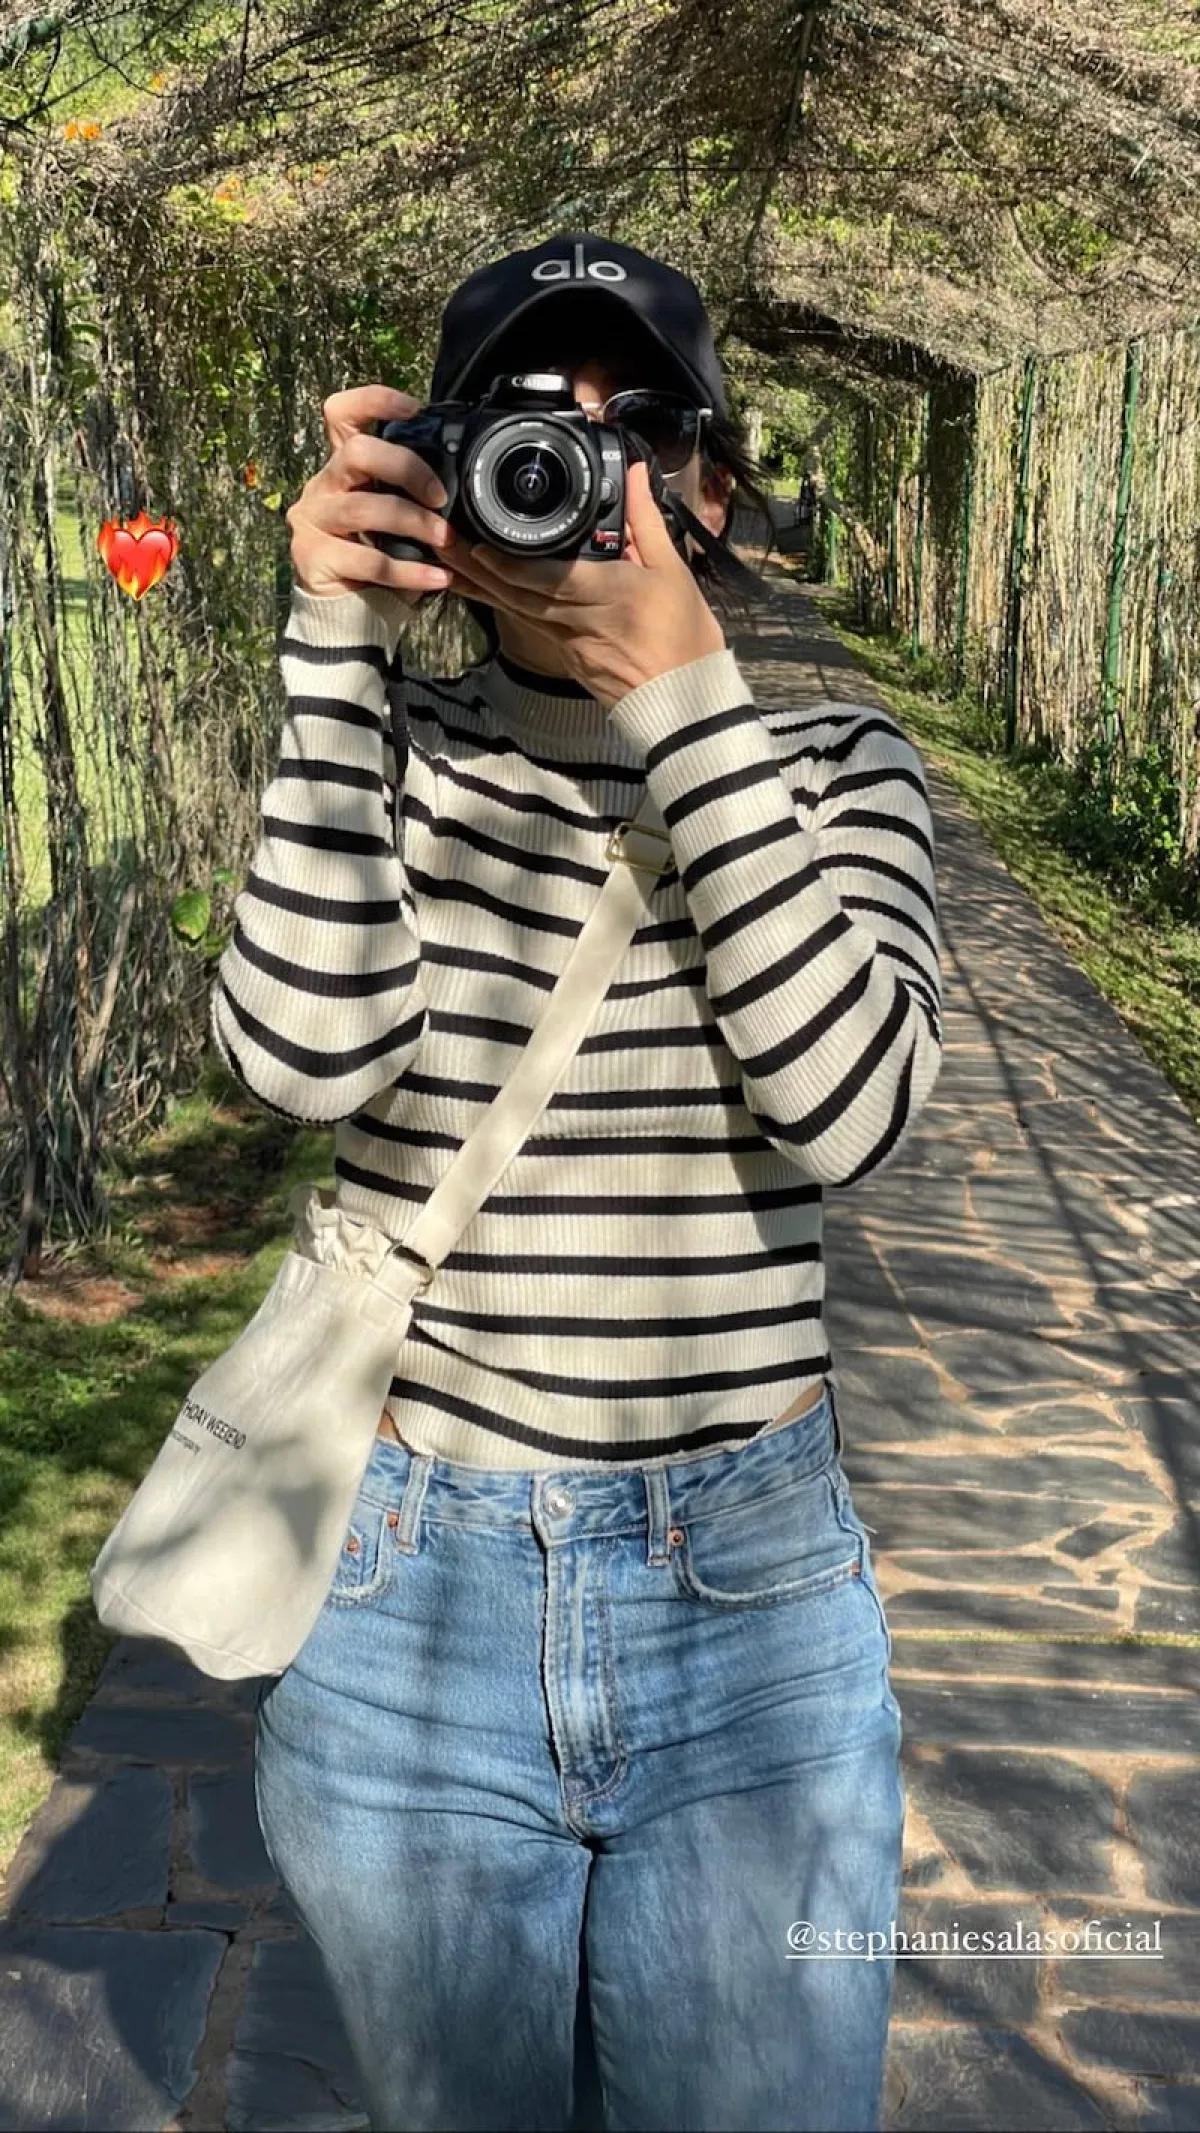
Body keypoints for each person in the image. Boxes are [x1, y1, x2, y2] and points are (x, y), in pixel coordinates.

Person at [211, 233, 943, 2133]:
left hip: (754, 1613)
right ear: (438, 473)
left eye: (646, 429)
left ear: (712, 485)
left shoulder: (835, 760)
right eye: (533, 426)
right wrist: (332, 646)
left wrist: (686, 702)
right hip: (407, 1592)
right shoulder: (400, 748)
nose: (588, 470)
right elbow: (298, 1060)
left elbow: (847, 1112)